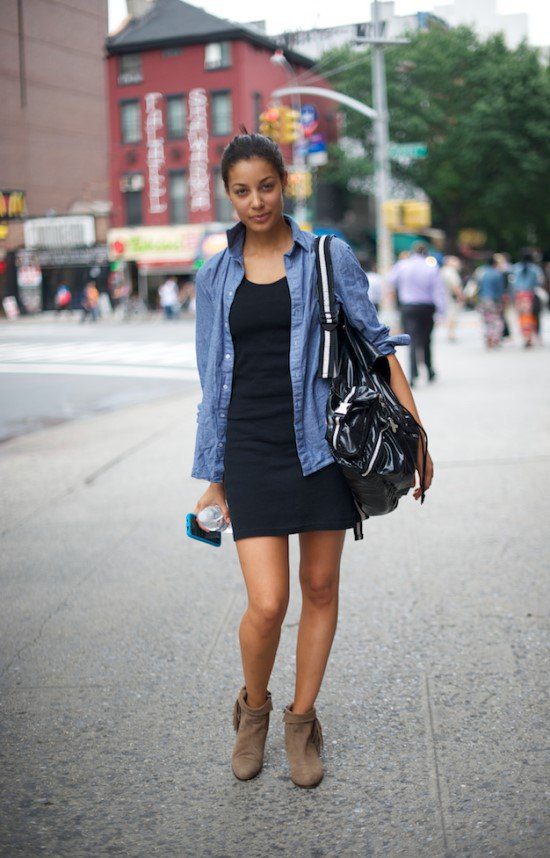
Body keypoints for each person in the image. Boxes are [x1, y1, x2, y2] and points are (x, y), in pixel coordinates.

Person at [191, 132, 434, 789]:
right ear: (228, 194)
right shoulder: (214, 275)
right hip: (248, 444)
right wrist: (212, 479)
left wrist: (416, 433)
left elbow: (377, 346)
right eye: (241, 191)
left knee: (320, 588)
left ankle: (302, 722)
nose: (255, 201)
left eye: (265, 186)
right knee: (267, 603)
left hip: (323, 444)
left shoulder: (327, 256)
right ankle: (254, 711)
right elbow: (213, 380)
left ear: (284, 184)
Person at [388, 242, 446, 386]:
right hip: (426, 308)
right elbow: (438, 291)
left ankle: (413, 374)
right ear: (426, 253)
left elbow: (390, 280)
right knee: (426, 340)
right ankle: (429, 369)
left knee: (412, 340)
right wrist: (441, 311)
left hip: (408, 307)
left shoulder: (402, 265)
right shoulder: (431, 268)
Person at [511, 253, 545, 347]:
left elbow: (512, 283)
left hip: (519, 296)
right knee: (532, 316)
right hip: (530, 295)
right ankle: (531, 336)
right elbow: (539, 282)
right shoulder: (535, 269)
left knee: (522, 317)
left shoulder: (516, 268)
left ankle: (526, 336)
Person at [477, 256, 506, 348]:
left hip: (483, 299)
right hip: (494, 300)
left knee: (486, 320)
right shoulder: (497, 274)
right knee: (496, 320)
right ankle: (495, 339)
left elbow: (478, 287)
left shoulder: (482, 273)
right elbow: (500, 290)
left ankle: (488, 337)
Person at [439, 256, 464, 341]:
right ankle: (451, 334)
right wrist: (461, 296)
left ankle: (450, 333)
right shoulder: (451, 272)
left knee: (449, 315)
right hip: (451, 298)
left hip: (443, 297)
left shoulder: (442, 271)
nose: (458, 263)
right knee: (452, 315)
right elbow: (456, 286)